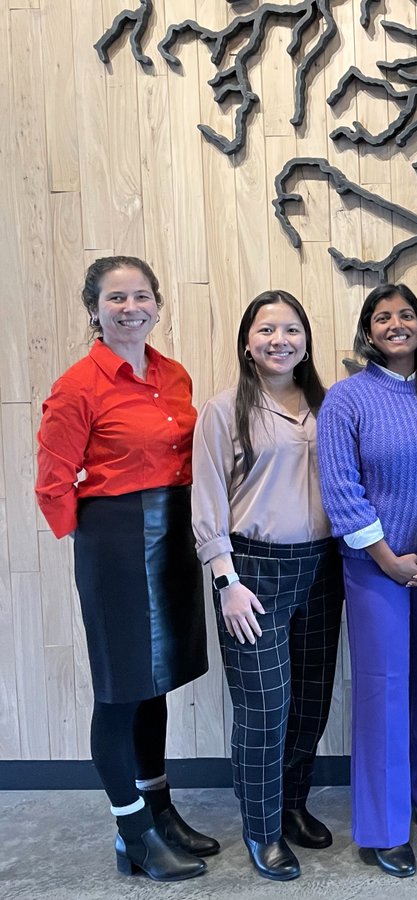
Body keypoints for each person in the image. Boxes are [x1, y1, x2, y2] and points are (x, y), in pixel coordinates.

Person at [34, 256, 214, 882]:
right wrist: (99, 545)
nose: (130, 307)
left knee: (153, 680)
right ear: (95, 308)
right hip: (115, 540)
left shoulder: (174, 375)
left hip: (172, 535)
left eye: (141, 296)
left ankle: (160, 810)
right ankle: (131, 831)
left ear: (158, 305)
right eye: (116, 298)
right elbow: (53, 485)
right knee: (120, 690)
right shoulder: (78, 385)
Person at [191, 291, 343, 881]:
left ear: (306, 341)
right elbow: (206, 502)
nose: (280, 340)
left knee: (311, 697)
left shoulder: (328, 405)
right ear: (248, 343)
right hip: (251, 572)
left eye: (292, 330)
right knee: (264, 706)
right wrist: (225, 579)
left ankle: (293, 804)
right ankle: (262, 828)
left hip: (322, 565)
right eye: (267, 330)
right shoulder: (224, 409)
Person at [316, 283, 417, 878]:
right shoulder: (346, 399)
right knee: (382, 689)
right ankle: (382, 826)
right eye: (383, 317)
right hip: (373, 567)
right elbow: (341, 489)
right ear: (368, 331)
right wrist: (384, 556)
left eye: (405, 316)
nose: (395, 325)